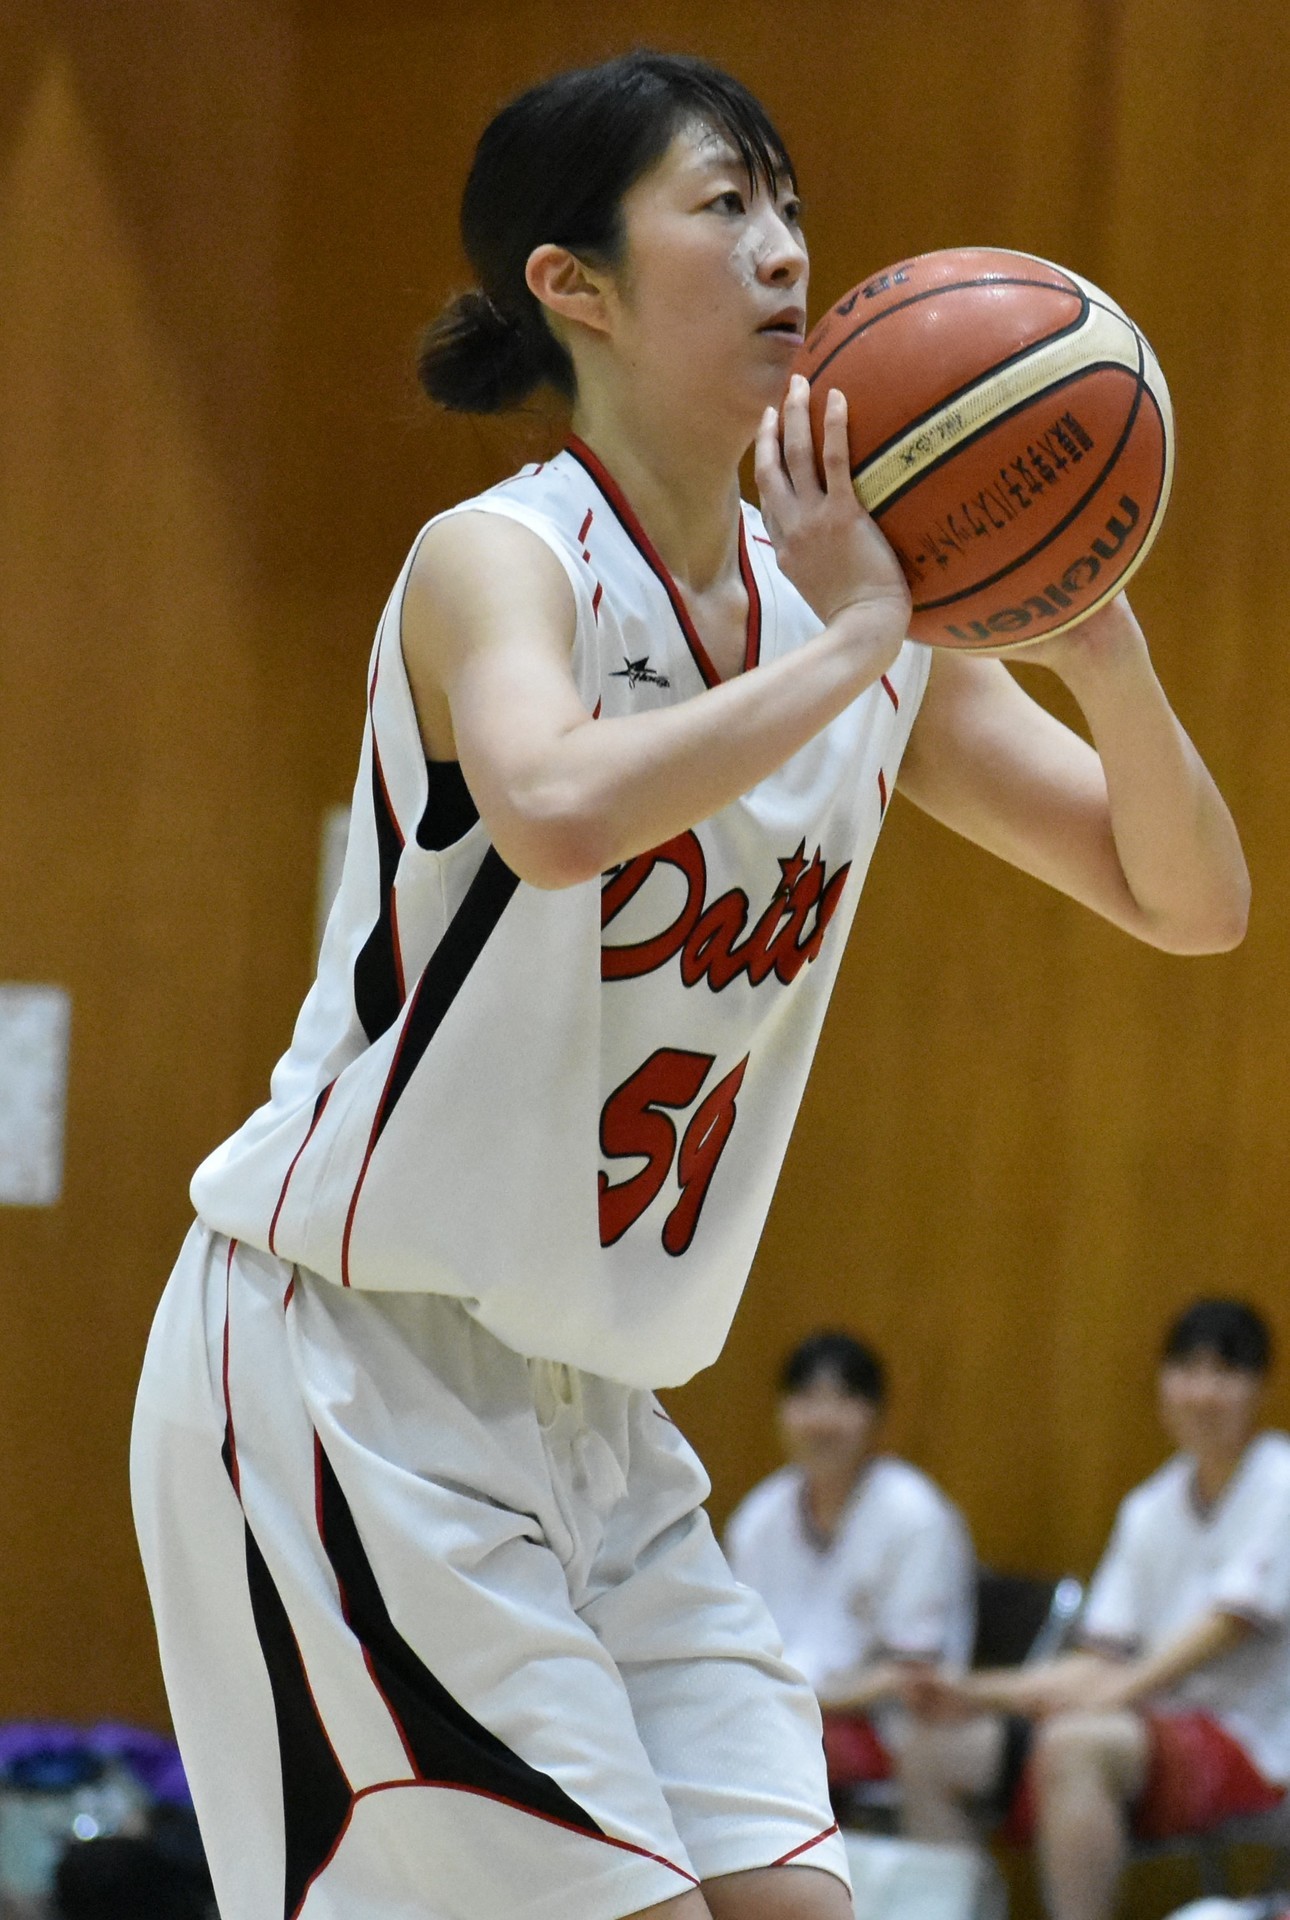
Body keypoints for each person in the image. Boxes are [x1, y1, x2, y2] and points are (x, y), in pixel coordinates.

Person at [128, 47, 1248, 1920]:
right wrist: (870, 639)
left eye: (790, 202)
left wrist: (1098, 643)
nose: (785, 249)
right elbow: (557, 808)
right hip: (347, 1377)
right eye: (722, 206)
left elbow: (1187, 900)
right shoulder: (499, 562)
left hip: (599, 1424)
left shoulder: (852, 618)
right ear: (572, 284)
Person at [900, 1300, 1290, 1920]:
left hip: (1253, 1743)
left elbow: (1227, 1626)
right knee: (931, 1750)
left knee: (1077, 1743)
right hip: (1141, 1726)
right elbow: (1097, 1661)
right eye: (1187, 1370)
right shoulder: (1150, 1506)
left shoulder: (1280, 1481)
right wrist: (973, 1693)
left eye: (1225, 1373)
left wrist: (1116, 1694)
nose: (1203, 1393)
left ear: (1260, 1388)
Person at [726, 1331, 974, 1800]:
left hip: (887, 1732)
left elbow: (913, 1677)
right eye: (806, 1399)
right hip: (781, 1713)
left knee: (752, 1750)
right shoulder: (760, 1516)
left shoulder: (914, 1515)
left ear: (876, 1417)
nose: (821, 1421)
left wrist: (800, 1700)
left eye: (841, 1400)